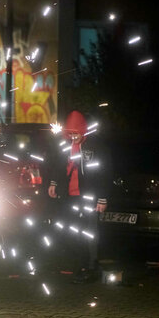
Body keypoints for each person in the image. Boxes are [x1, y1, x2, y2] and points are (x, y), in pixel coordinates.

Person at [46, 110, 108, 281]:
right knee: (72, 231)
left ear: (83, 132)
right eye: (71, 134)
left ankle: (90, 266)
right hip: (70, 197)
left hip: (88, 198)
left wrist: (102, 198)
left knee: (89, 233)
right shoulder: (66, 146)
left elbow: (100, 174)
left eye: (76, 134)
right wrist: (54, 183)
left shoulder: (93, 148)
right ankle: (78, 264)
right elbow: (59, 166)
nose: (74, 137)